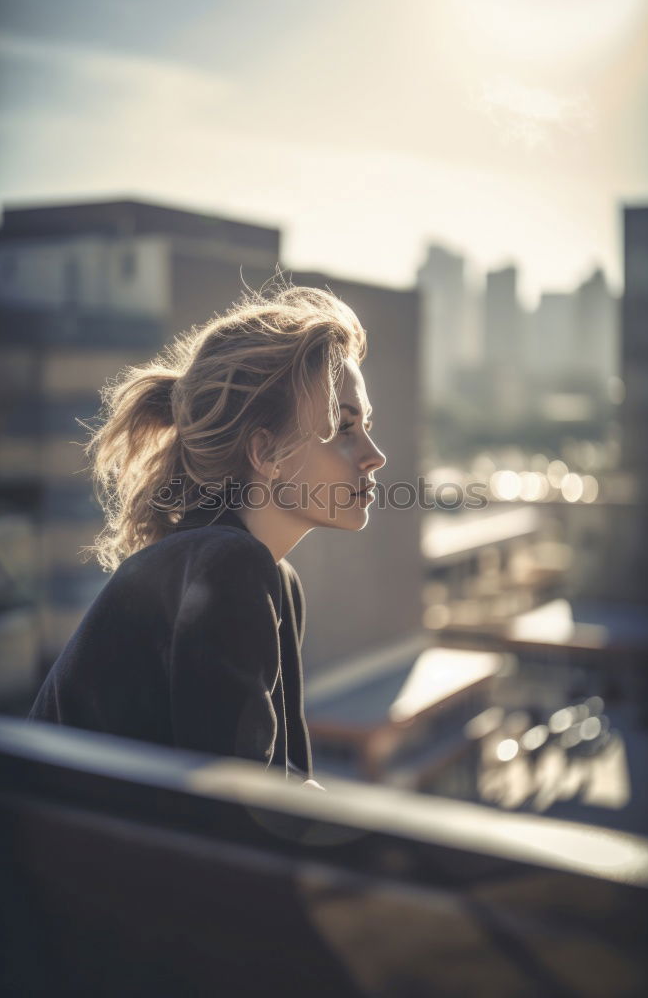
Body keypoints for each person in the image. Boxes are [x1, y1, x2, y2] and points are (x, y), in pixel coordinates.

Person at [28, 280, 387, 791]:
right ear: (267, 453)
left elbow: (277, 790)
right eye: (345, 427)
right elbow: (240, 812)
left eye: (366, 425)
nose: (376, 455)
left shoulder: (265, 577)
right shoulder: (227, 566)